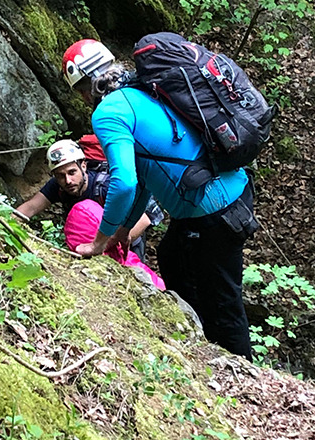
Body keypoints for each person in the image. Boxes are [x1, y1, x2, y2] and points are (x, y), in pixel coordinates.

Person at [61, 38, 258, 361]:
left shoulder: (108, 113)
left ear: (84, 88)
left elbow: (124, 183)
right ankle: (204, 351)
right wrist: (123, 230)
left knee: (222, 300)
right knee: (173, 261)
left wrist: (99, 242)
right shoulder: (142, 91)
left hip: (213, 209)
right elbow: (146, 178)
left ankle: (242, 375)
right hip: (222, 193)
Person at [16, 139, 163, 262]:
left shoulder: (106, 185)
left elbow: (145, 217)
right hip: (90, 243)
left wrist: (107, 242)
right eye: (60, 175)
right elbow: (31, 207)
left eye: (72, 172)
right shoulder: (57, 186)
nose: (68, 180)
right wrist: (7, 220)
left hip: (124, 239)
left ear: (83, 166)